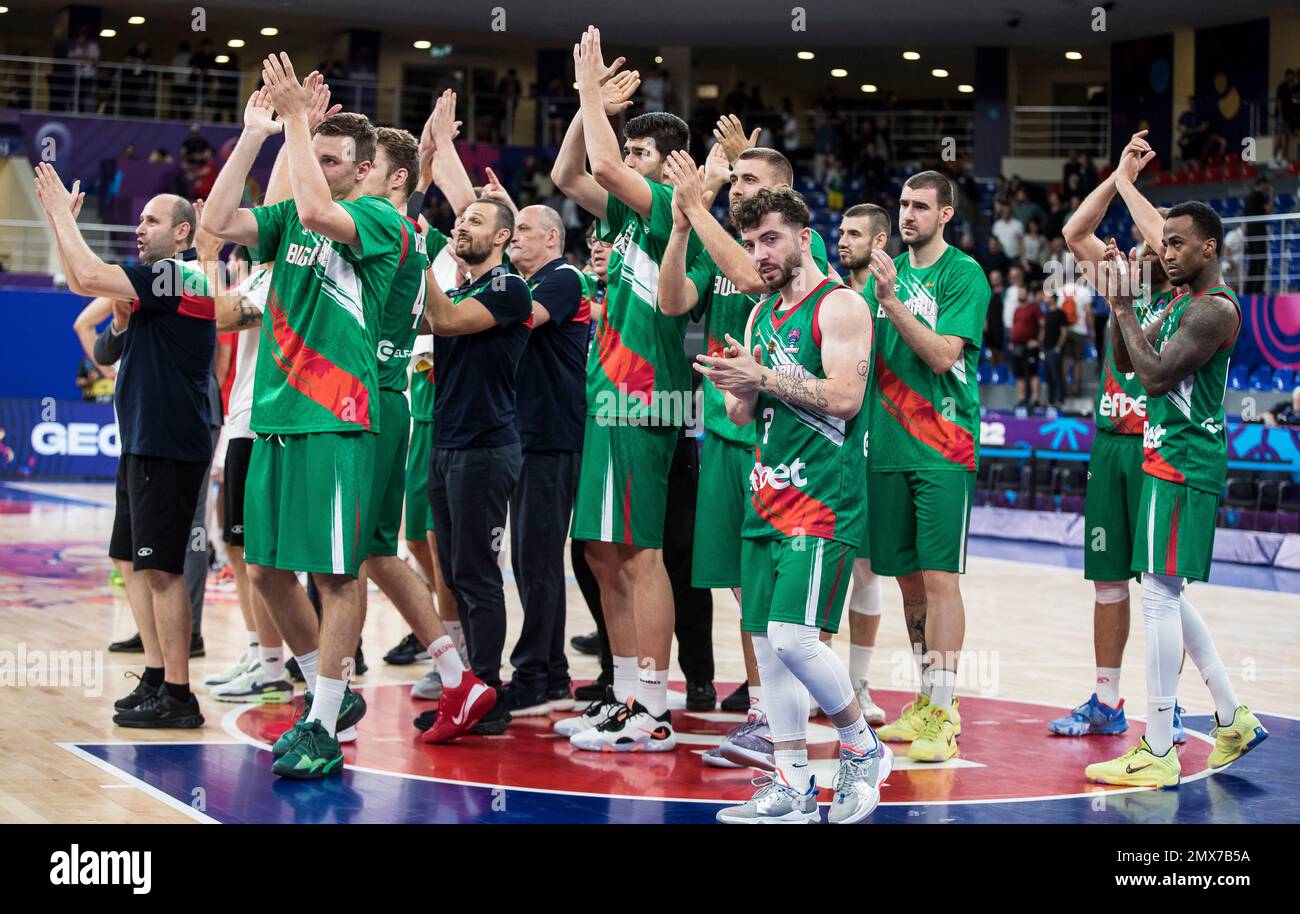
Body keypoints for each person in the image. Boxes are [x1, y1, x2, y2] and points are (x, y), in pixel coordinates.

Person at [201, 55, 406, 778]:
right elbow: (217, 222)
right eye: (313, 153)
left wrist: (296, 120)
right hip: (278, 416)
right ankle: (331, 689)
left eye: (329, 156)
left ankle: (320, 717)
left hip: (339, 416)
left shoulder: (380, 221)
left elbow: (320, 208)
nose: (314, 164)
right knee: (262, 570)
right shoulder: (289, 218)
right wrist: (258, 132)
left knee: (336, 573)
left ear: (360, 170)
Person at [701, 187, 891, 824]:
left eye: (771, 239)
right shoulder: (759, 316)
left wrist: (763, 377)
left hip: (823, 497)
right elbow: (741, 412)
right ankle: (793, 782)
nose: (759, 253)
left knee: (792, 637)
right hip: (766, 494)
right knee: (765, 644)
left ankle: (862, 748)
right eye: (751, 243)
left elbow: (843, 398)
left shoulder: (839, 306)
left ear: (804, 238)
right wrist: (737, 383)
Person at [1084, 193, 1269, 786]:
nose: (1166, 252)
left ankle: (1161, 746)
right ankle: (1231, 714)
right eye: (1163, 242)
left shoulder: (1214, 309)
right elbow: (1124, 359)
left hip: (1185, 461)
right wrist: (1125, 303)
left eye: (1178, 243)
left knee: (1160, 596)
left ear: (1209, 248)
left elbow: (1157, 377)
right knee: (1164, 589)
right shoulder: (1174, 301)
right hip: (1162, 457)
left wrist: (1123, 303)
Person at [549, 28, 695, 752]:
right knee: (603, 554)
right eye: (631, 150)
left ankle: (656, 709)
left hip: (647, 398)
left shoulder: (670, 208)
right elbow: (570, 173)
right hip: (608, 396)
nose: (625, 163)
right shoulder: (630, 218)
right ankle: (624, 692)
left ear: (668, 168)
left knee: (640, 554)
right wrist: (589, 109)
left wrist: (587, 92)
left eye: (642, 155)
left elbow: (602, 165)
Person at [35, 170, 216, 729]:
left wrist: (64, 217)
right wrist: (56, 219)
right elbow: (80, 284)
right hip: (142, 440)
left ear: (183, 233)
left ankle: (181, 696)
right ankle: (158, 677)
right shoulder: (151, 287)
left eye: (151, 220)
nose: (139, 228)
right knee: (133, 561)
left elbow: (89, 275)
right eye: (139, 219)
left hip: (169, 440)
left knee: (162, 570)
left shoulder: (178, 278)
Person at [866, 171, 990, 764]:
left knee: (941, 582)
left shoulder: (962, 275)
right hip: (886, 450)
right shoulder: (879, 279)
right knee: (908, 584)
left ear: (945, 214)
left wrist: (889, 299)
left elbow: (943, 355)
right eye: (903, 204)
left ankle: (944, 708)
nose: (908, 214)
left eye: (920, 205)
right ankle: (925, 695)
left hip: (943, 448)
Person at [501, 203, 589, 715]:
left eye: (525, 230)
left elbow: (519, 318)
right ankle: (550, 670)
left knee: (536, 558)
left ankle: (536, 673)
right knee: (528, 559)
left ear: (553, 237)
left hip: (551, 435)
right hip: (526, 434)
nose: (515, 237)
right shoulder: (529, 280)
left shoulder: (563, 278)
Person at [1008, 284, 1042, 410]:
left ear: (1028, 294)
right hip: (1017, 345)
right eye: (1019, 293)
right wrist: (1012, 341)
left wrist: (1038, 341)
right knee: (1019, 373)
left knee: (1033, 372)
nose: (1021, 295)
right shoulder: (1017, 310)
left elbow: (1042, 324)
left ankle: (1035, 399)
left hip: (1030, 345)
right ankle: (1022, 398)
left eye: (1023, 293)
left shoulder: (1034, 308)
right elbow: (1014, 326)